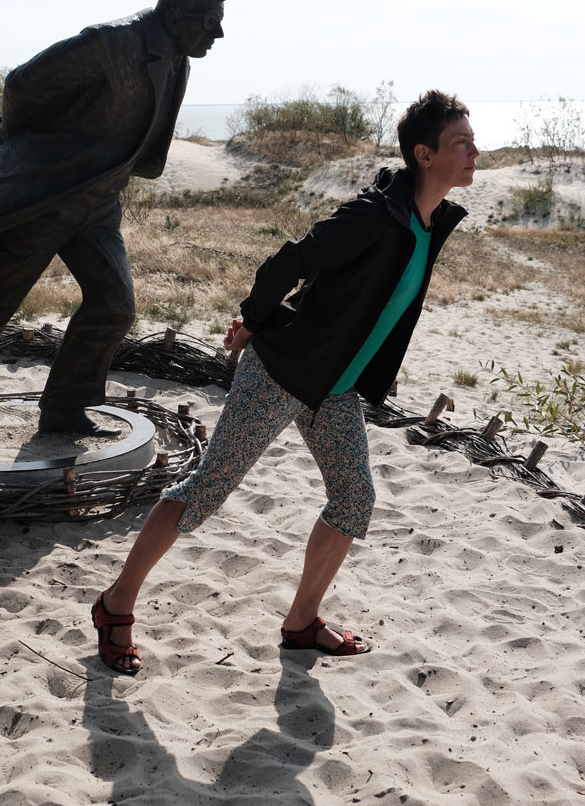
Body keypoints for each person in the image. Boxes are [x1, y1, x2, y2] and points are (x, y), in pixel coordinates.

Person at [92, 90, 479, 674]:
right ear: (424, 154)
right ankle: (116, 603)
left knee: (354, 500)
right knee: (206, 490)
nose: (476, 152)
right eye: (462, 143)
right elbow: (289, 261)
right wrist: (256, 317)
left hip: (334, 386)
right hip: (281, 372)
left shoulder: (431, 220)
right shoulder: (376, 215)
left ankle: (301, 622)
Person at [0, 0, 228, 438]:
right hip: (42, 197)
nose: (217, 34)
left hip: (100, 201)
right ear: (174, 14)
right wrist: (25, 146)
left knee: (114, 307)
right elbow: (24, 85)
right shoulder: (112, 41)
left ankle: (65, 410)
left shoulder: (178, 57)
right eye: (209, 22)